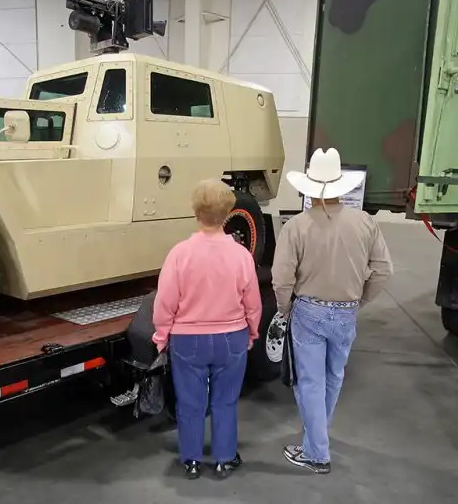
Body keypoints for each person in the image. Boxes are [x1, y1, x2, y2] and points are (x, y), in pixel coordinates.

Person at [272, 147, 393, 474]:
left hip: (308, 312)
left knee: (309, 382)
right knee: (333, 377)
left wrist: (285, 308)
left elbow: (282, 279)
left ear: (309, 187)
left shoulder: (296, 227)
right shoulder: (365, 222)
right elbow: (383, 270)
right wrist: (359, 301)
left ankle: (317, 453)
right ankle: (317, 440)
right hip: (346, 312)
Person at [152, 179, 261, 480]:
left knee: (190, 402)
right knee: (225, 401)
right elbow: (252, 303)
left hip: (187, 341)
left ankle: (191, 460)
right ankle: (225, 459)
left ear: (195, 211)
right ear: (228, 213)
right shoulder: (241, 255)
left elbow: (165, 303)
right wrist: (252, 331)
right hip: (232, 338)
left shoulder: (179, 254)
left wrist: (161, 336)